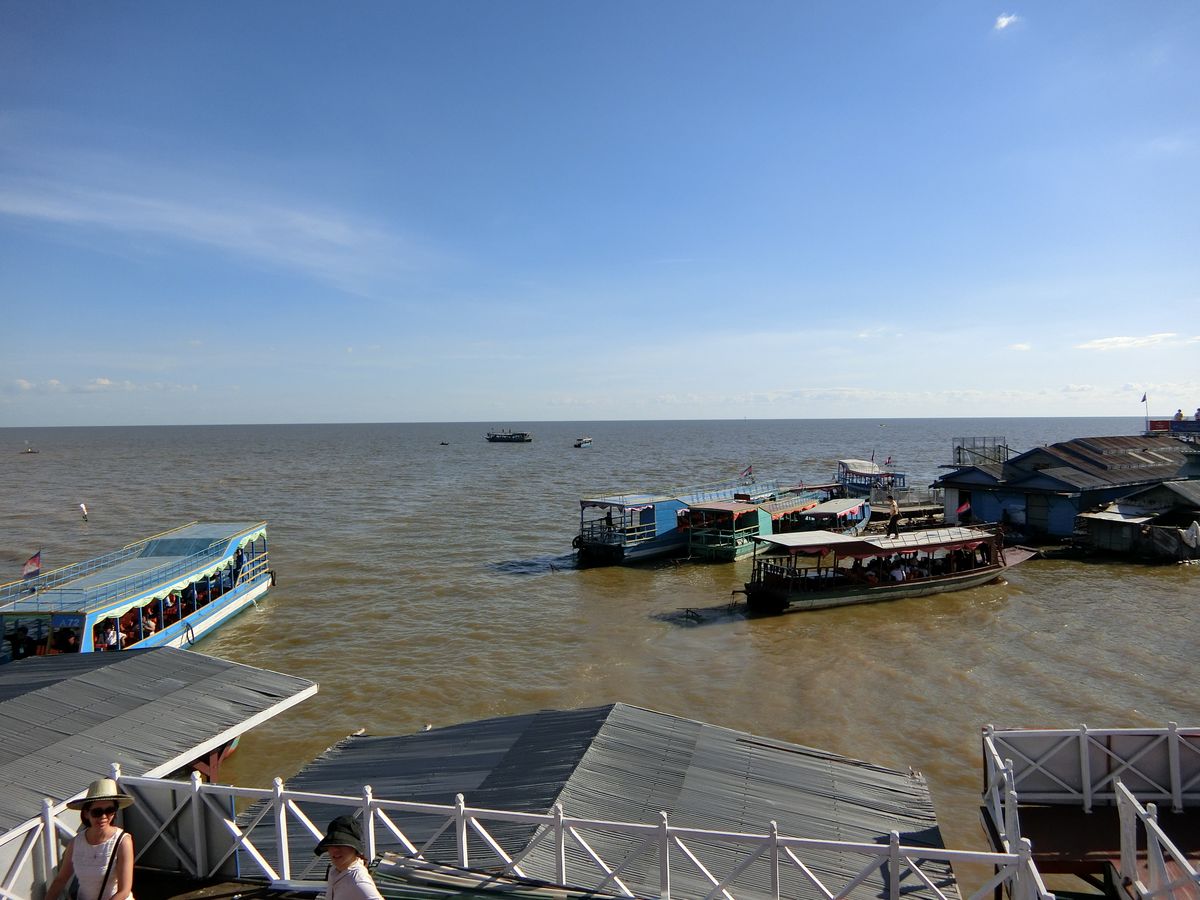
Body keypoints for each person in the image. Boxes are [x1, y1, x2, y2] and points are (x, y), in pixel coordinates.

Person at [46, 778, 135, 900]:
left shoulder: (123, 841)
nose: (103, 817)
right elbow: (61, 880)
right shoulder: (76, 842)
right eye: (97, 812)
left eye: (109, 811)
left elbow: (124, 891)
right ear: (86, 814)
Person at [314, 815, 383, 900]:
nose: (335, 849)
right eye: (331, 845)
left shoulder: (359, 881)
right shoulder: (334, 870)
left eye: (341, 844)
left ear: (354, 849)